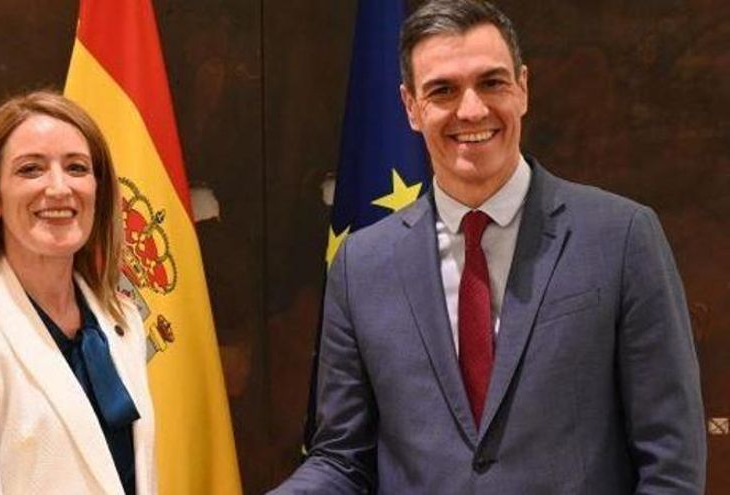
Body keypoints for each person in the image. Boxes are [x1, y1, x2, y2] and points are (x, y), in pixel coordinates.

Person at [271, 1, 706, 493]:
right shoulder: (363, 265)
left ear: (523, 88)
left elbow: (670, 463)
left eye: (492, 82)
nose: (472, 109)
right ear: (411, 107)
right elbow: (342, 460)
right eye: (443, 90)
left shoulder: (622, 237)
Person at [0, 91, 156, 494]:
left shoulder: (121, 319)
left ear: (99, 189)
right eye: (31, 170)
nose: (59, 188)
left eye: (76, 168)